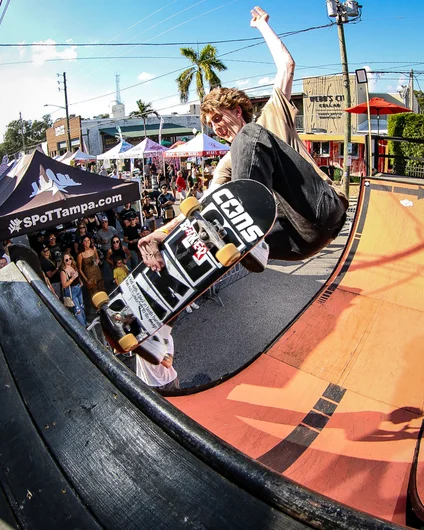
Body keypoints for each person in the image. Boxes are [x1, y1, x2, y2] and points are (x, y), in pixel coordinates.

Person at [137, 5, 347, 273]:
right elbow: (206, 199)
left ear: (237, 110)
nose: (217, 129)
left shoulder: (269, 117)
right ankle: (166, 268)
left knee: (249, 137)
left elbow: (287, 65)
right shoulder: (230, 161)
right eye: (211, 125)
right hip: (294, 242)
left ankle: (249, 233)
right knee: (211, 228)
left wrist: (262, 26)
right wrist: (161, 233)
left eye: (218, 118)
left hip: (320, 209)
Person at [135, 325, 179, 392]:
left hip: (166, 383)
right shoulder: (141, 336)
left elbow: (168, 363)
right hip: (146, 382)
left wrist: (151, 347)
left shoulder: (167, 339)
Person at [60, 252, 87, 327]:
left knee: (82, 306)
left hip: (78, 288)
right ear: (63, 261)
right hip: (72, 291)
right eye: (66, 260)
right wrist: (72, 278)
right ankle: (83, 326)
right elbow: (64, 285)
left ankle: (84, 322)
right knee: (77, 310)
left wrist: (80, 282)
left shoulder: (73, 266)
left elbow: (77, 276)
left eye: (70, 259)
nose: (69, 261)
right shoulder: (63, 271)